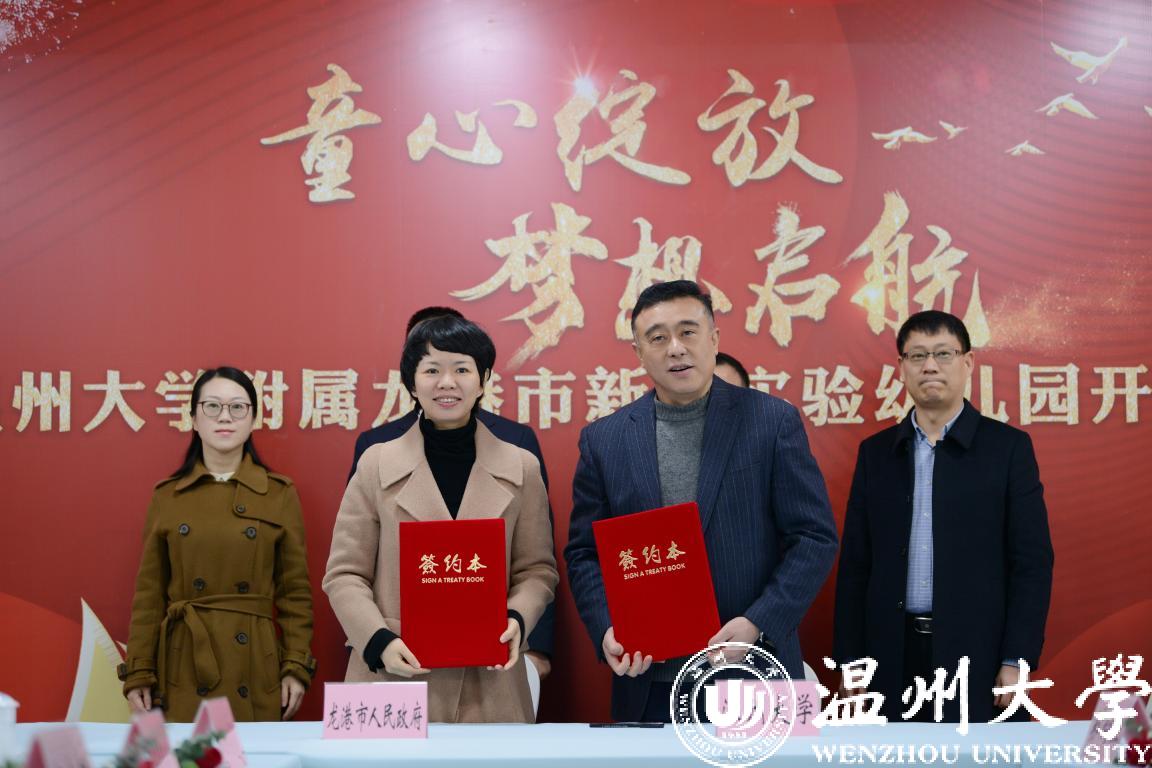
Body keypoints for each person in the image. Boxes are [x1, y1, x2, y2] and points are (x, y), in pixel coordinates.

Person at [565, 280, 838, 722]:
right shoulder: (604, 440)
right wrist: (606, 627)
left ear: (714, 338)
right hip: (648, 677)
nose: (675, 348)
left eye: (688, 332)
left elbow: (813, 538)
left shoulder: (771, 421)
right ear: (638, 353)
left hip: (754, 668)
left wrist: (757, 622)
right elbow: (584, 553)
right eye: (657, 338)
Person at [325, 315, 558, 722]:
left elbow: (537, 571)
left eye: (462, 370)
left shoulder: (521, 466)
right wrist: (377, 641)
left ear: (483, 380)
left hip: (490, 683)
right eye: (432, 370)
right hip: (392, 676)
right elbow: (344, 574)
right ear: (412, 383)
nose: (447, 383)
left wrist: (518, 618)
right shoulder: (375, 464)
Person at [833, 310, 1054, 723]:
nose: (930, 366)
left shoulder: (1007, 449)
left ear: (968, 362)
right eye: (917, 356)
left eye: (943, 354)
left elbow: (1032, 563)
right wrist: (850, 659)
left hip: (980, 655)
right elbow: (855, 567)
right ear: (901, 367)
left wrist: (1017, 659)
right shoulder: (876, 454)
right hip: (890, 654)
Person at [120, 367, 315, 722]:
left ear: (253, 419)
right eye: (212, 406)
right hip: (184, 662)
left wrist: (295, 665)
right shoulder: (168, 496)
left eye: (237, 407)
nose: (225, 417)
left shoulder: (279, 494)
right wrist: (139, 671)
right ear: (194, 419)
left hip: (254, 666)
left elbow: (295, 596)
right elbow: (149, 597)